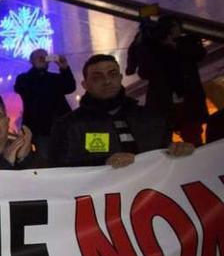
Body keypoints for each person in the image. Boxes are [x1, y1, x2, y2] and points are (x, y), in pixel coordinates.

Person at [50, 54, 194, 169]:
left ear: (120, 78)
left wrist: (178, 150)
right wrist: (104, 163)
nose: (107, 81)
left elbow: (164, 150)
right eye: (97, 77)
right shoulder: (69, 126)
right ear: (85, 85)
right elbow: (60, 169)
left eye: (112, 74)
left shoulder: (149, 117)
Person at [135, 15, 208, 146]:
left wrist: (175, 45)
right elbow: (143, 72)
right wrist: (144, 45)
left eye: (174, 26)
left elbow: (200, 53)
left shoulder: (187, 42)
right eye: (168, 27)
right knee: (162, 142)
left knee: (194, 140)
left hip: (189, 102)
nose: (172, 30)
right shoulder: (153, 48)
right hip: (162, 104)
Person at [14, 49, 76, 160]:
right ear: (31, 61)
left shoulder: (55, 78)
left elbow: (70, 87)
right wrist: (38, 70)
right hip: (41, 130)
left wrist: (64, 68)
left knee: (68, 156)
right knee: (47, 159)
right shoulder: (24, 79)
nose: (42, 59)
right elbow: (24, 89)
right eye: (39, 57)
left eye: (45, 57)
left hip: (62, 126)